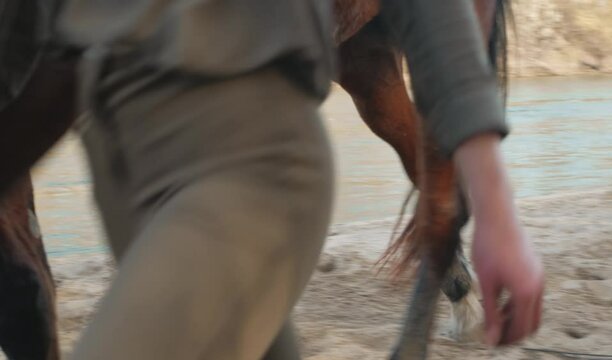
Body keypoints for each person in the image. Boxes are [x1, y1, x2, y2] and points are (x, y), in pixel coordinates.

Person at [48, 0, 544, 358]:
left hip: (247, 167)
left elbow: (438, 15)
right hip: (132, 186)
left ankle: (428, 316)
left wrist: (495, 203)